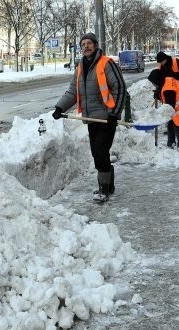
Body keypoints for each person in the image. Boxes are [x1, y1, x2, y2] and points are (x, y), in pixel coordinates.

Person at [52, 32, 127, 202]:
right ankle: (109, 183)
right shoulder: (80, 67)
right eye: (83, 44)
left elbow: (120, 88)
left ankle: (104, 189)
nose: (86, 46)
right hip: (92, 118)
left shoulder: (106, 63)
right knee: (97, 153)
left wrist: (114, 113)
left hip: (107, 117)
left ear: (95, 45)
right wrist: (60, 107)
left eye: (89, 43)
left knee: (100, 152)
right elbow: (73, 91)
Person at [147, 69, 179, 156]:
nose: (153, 84)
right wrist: (158, 93)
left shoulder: (168, 90)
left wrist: (159, 115)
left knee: (176, 126)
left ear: (157, 80)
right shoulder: (167, 80)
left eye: (153, 82)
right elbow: (167, 98)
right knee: (170, 125)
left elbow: (169, 107)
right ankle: (171, 145)